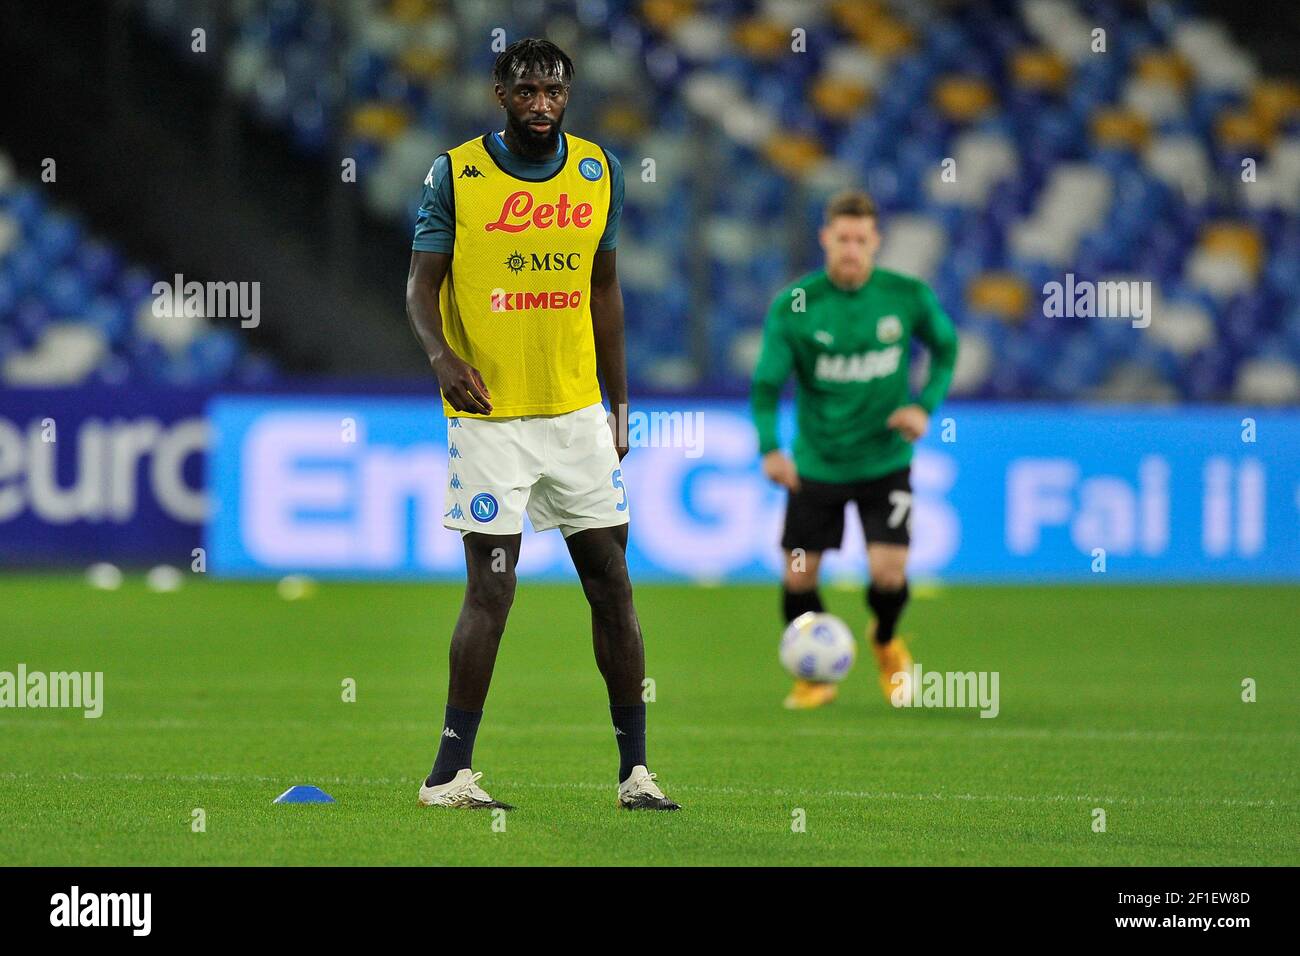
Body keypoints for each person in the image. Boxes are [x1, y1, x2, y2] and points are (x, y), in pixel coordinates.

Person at [404, 38, 677, 809]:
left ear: (568, 94)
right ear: (500, 93)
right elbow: (420, 287)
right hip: (491, 418)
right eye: (526, 90)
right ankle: (448, 774)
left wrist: (618, 403)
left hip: (576, 415)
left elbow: (605, 293)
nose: (541, 103)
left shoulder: (598, 171)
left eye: (554, 90)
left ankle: (636, 774)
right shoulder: (457, 172)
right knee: (493, 589)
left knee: (613, 582)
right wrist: (440, 357)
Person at [751, 189, 958, 710]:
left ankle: (885, 640)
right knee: (798, 574)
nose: (851, 248)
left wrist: (924, 407)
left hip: (885, 463)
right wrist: (771, 449)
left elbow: (946, 346)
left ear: (875, 242)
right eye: (842, 238)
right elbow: (766, 386)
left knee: (889, 574)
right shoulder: (796, 305)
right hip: (817, 465)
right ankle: (814, 675)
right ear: (826, 238)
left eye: (861, 240)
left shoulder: (905, 295)